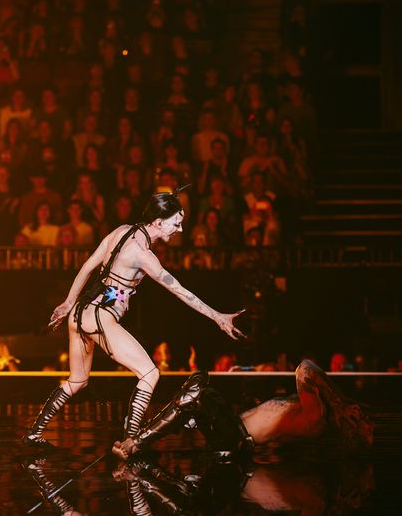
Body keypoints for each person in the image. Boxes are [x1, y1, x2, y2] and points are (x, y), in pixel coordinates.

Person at [22, 191, 245, 448]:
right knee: (149, 374)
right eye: (176, 222)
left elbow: (87, 266)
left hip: (81, 313)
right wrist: (217, 317)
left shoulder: (121, 231)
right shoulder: (143, 254)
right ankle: (130, 442)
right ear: (159, 222)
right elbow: (181, 291)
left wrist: (69, 302)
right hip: (100, 317)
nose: (180, 229)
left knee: (78, 381)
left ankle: (33, 433)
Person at [112, 360, 374, 460]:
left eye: (359, 416)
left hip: (235, 440)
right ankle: (176, 422)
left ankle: (136, 442)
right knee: (200, 379)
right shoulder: (318, 408)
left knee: (197, 393)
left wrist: (339, 401)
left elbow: (305, 368)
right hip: (233, 429)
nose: (357, 409)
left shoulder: (318, 414)